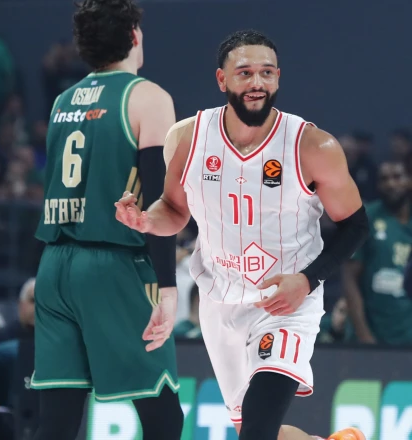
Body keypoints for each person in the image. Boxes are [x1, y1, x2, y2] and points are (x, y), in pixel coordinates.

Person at [115, 30, 368, 440]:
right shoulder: (187, 138)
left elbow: (356, 225)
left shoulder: (312, 146)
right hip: (220, 301)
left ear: (278, 78)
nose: (257, 82)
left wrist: (307, 281)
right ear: (222, 79)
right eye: (245, 72)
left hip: (285, 304)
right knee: (250, 427)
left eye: (267, 72)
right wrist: (146, 221)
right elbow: (174, 210)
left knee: (256, 428)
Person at [31, 1, 183, 439]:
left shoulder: (63, 101)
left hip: (54, 266)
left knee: (57, 422)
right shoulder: (148, 98)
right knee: (163, 417)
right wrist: (168, 287)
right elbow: (157, 201)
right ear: (134, 34)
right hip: (113, 265)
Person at [344, 160, 412, 345]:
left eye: (397, 177)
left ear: (409, 180)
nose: (391, 183)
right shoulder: (366, 217)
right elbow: (349, 278)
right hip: (374, 330)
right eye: (384, 179)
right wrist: (363, 334)